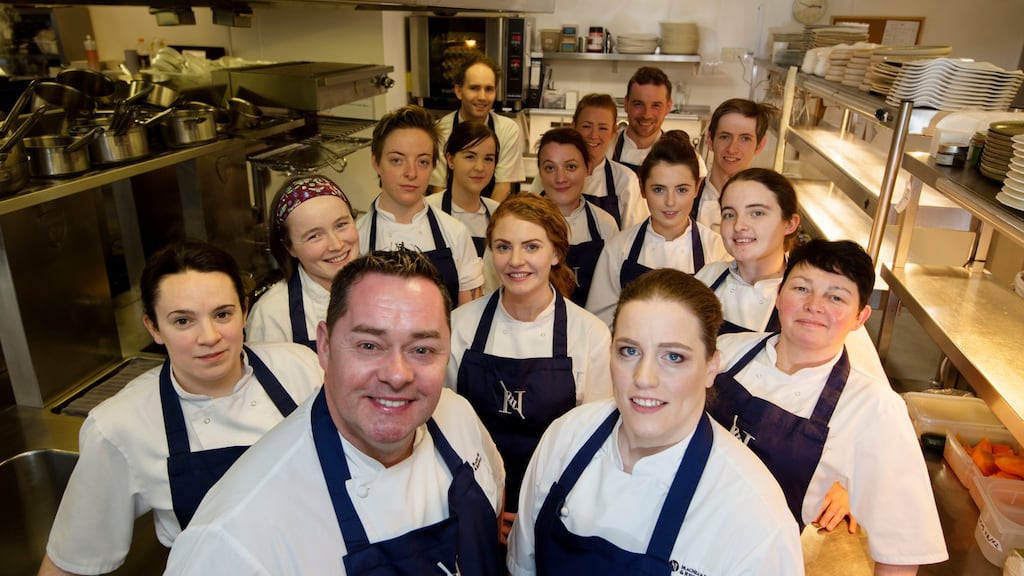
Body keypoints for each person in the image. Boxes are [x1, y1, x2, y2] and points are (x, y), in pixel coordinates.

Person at [165, 248, 506, 575]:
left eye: (422, 349)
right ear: (325, 346)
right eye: (369, 345)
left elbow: (495, 497)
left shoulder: (458, 417)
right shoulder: (233, 539)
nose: (397, 374)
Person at [40, 241, 323, 576]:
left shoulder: (301, 369)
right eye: (183, 321)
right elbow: (69, 561)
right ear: (154, 328)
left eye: (222, 314)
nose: (209, 336)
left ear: (244, 311)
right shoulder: (120, 426)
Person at [508, 268, 803, 575]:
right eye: (629, 351)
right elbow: (523, 567)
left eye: (673, 357)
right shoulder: (566, 437)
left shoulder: (756, 519)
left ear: (711, 368)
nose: (644, 378)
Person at [710, 239, 948, 573]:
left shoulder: (873, 407)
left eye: (836, 297)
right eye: (801, 288)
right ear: (779, 295)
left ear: (860, 317)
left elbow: (900, 548)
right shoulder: (724, 353)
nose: (814, 305)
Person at [448, 194, 612, 543]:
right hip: (473, 502)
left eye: (532, 246)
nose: (515, 260)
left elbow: (594, 445)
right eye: (503, 247)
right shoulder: (460, 326)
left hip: (556, 504)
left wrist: (535, 509)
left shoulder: (589, 335)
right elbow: (447, 429)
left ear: (555, 253)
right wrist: (488, 504)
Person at [586, 131, 728, 326]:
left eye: (682, 190)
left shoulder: (718, 250)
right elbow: (600, 324)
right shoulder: (618, 248)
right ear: (642, 189)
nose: (670, 202)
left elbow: (722, 324)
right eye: (659, 189)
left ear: (697, 188)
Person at [357, 104, 484, 307]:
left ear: (433, 166)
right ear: (376, 162)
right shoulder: (355, 239)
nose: (411, 173)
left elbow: (469, 317)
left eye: (422, 162)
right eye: (397, 160)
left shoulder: (456, 233)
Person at [247, 175, 359, 350]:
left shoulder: (386, 287)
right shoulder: (272, 314)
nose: (336, 245)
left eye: (341, 225)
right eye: (314, 236)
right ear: (289, 247)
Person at [695, 168, 799, 334]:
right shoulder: (708, 277)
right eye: (729, 214)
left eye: (757, 213)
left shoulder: (802, 299)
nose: (738, 225)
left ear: (789, 224)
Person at [530, 93, 648, 229]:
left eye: (603, 128)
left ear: (613, 132)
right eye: (586, 126)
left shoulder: (625, 180)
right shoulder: (549, 175)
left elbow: (633, 236)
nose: (593, 135)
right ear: (573, 126)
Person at [531, 127, 618, 307]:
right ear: (539, 172)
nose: (560, 178)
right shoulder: (521, 222)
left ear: (588, 168)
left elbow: (611, 297)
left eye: (570, 167)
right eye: (550, 168)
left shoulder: (605, 225)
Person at [429, 52, 525, 202]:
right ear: (459, 91)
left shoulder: (507, 129)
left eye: (489, 89)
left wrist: (489, 222)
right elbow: (438, 188)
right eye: (474, 88)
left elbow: (503, 187)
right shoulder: (441, 130)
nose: (482, 97)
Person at [695, 98, 778, 231]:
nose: (732, 149)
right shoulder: (685, 198)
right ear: (710, 140)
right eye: (725, 136)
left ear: (760, 145)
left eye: (745, 139)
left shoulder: (769, 208)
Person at [426, 120, 501, 257]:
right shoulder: (428, 210)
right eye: (470, 157)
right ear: (450, 160)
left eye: (488, 159)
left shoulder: (499, 213)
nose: (479, 167)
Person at [607, 66, 673, 174]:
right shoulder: (604, 149)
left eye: (656, 105)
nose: (646, 115)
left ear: (668, 107)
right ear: (626, 103)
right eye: (638, 104)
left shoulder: (685, 156)